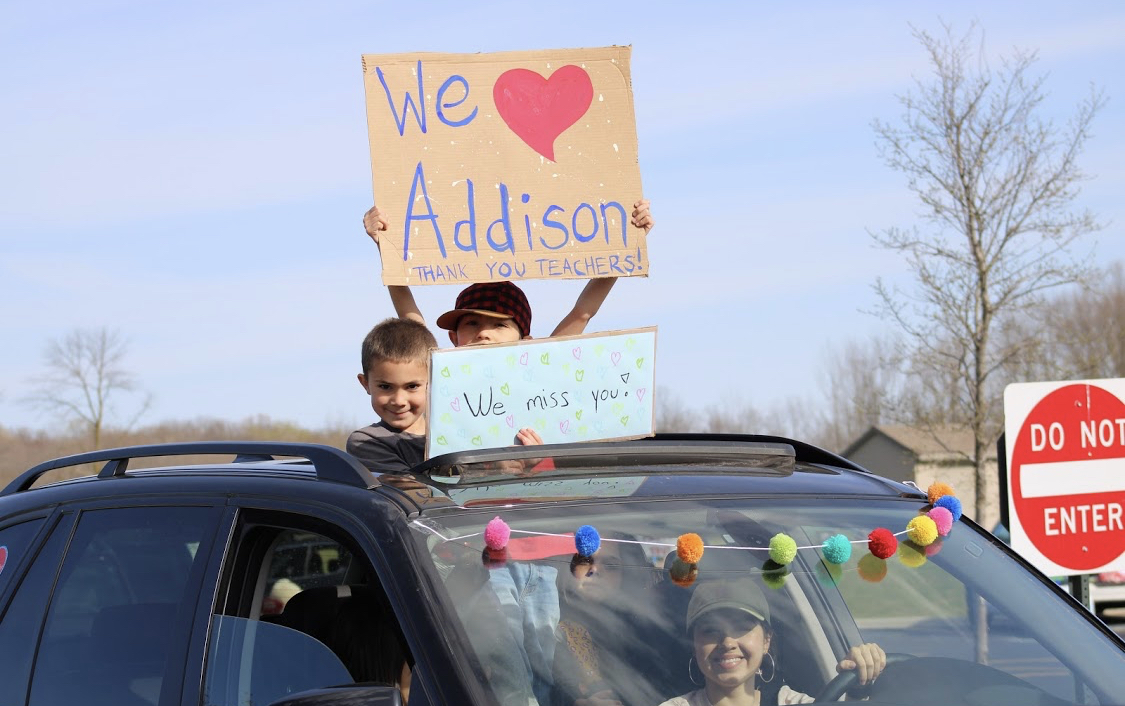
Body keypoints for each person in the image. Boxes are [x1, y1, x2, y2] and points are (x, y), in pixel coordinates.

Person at [362, 199, 653, 340]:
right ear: (453, 338)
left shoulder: (542, 366)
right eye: (471, 324)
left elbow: (582, 312)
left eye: (500, 325)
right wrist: (384, 244)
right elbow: (409, 319)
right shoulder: (440, 375)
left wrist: (625, 244)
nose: (484, 334)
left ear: (525, 341)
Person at [659, 578, 886, 706]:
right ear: (694, 644)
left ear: (766, 640)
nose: (727, 642)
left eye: (742, 627)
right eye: (710, 631)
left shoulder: (795, 703)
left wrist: (859, 685)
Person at [346, 317, 438, 473]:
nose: (399, 401)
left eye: (412, 386)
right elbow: (413, 493)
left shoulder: (454, 435)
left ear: (434, 383)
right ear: (365, 383)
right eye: (385, 387)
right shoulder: (366, 442)